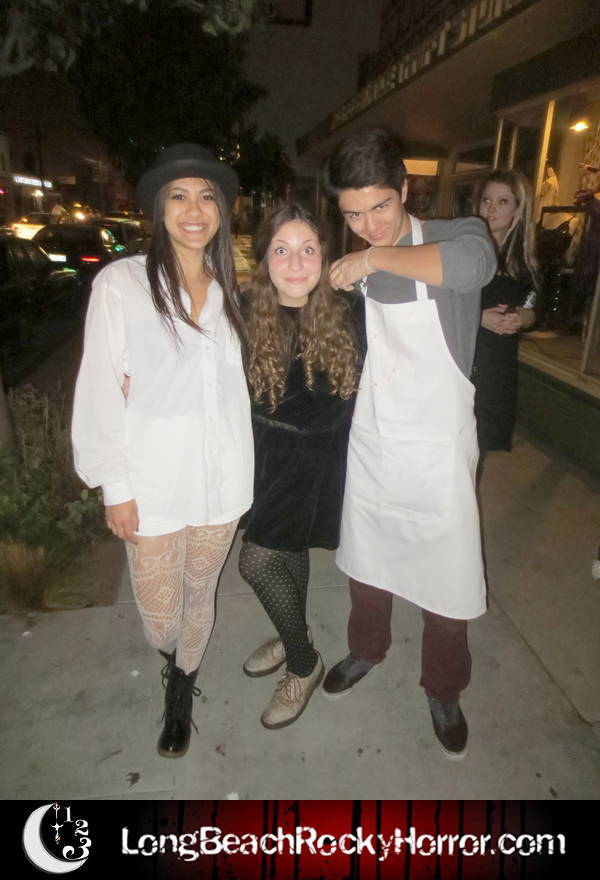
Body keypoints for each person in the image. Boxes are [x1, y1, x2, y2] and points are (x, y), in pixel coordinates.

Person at [71, 143, 253, 758]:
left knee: (201, 594)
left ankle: (182, 690)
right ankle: (172, 657)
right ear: (159, 208)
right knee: (160, 616)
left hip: (222, 480)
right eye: (179, 196)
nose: (194, 210)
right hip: (152, 483)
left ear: (222, 211)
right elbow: (100, 385)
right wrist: (114, 486)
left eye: (207, 197)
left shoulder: (231, 289)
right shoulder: (122, 284)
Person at [323, 127, 497, 758]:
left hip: (437, 446)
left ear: (404, 188)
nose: (369, 225)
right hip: (377, 437)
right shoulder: (352, 267)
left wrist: (372, 259)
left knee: (447, 576)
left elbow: (475, 268)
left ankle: (444, 689)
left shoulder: (457, 235)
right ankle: (366, 650)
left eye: (380, 206)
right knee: (368, 560)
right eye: (353, 215)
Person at [238, 203, 363, 729]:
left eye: (308, 249)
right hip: (263, 453)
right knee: (287, 551)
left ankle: (304, 663)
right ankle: (295, 636)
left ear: (325, 256)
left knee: (256, 562)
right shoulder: (245, 309)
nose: (295, 263)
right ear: (264, 259)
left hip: (315, 459)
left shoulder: (350, 309)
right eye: (281, 250)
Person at [473, 169, 538, 458]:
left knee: (481, 445)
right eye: (486, 200)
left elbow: (535, 306)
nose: (491, 209)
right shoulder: (465, 249)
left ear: (517, 209)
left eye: (502, 202)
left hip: (497, 365)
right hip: (465, 357)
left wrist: (524, 318)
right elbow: (438, 303)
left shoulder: (523, 261)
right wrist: (479, 318)